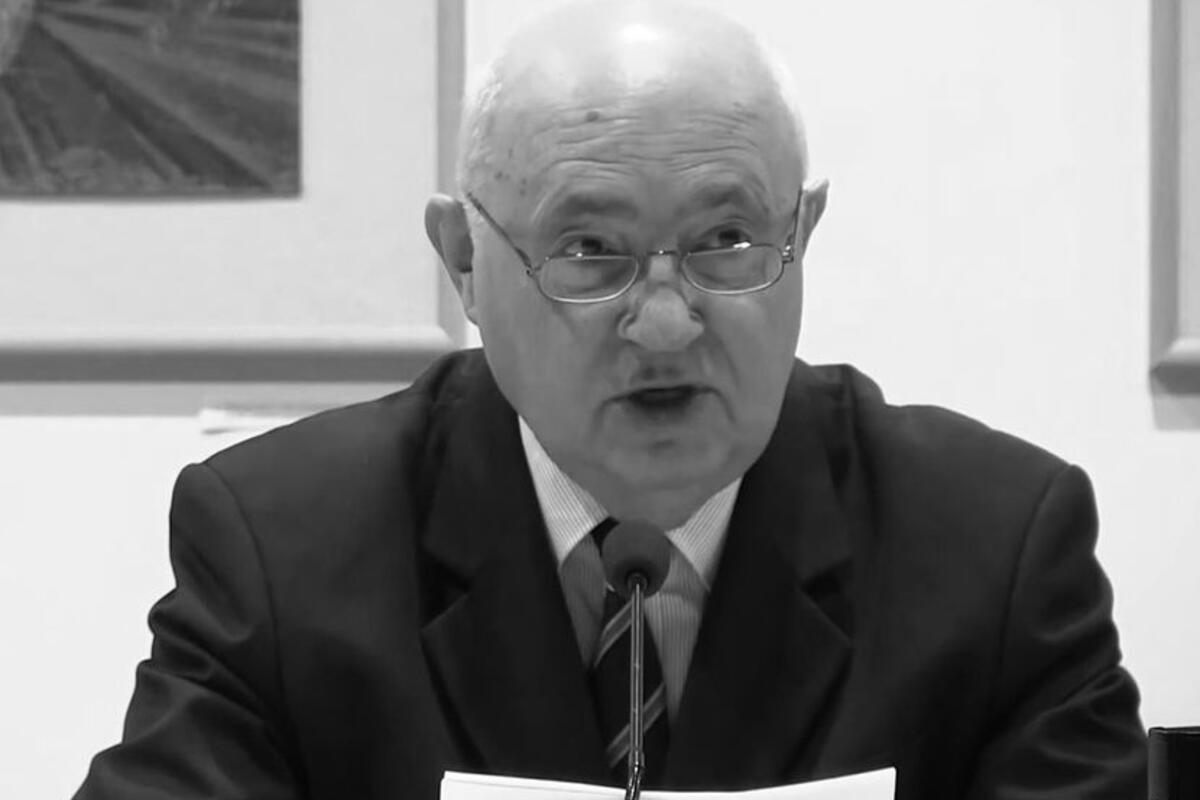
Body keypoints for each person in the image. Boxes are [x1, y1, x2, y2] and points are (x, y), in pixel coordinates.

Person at [73, 2, 1147, 798]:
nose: (668, 323)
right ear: (463, 261)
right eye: (590, 249)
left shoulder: (993, 553)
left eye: (728, 240)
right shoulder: (284, 549)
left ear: (802, 235)